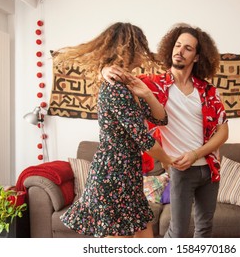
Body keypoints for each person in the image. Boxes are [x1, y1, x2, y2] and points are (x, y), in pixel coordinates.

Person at [102, 23, 229, 238]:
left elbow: (223, 132)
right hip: (180, 171)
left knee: (205, 228)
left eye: (188, 48)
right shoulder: (153, 84)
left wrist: (196, 154)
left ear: (197, 57)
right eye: (177, 45)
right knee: (177, 232)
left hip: (209, 169)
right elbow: (117, 78)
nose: (179, 51)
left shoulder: (209, 92)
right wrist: (103, 70)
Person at [58, 22, 174, 238]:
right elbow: (143, 139)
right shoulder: (115, 89)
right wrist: (169, 162)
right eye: (140, 46)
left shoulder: (129, 85)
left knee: (145, 236)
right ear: (127, 49)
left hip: (128, 176)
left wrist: (147, 94)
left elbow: (161, 119)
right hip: (113, 177)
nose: (144, 52)